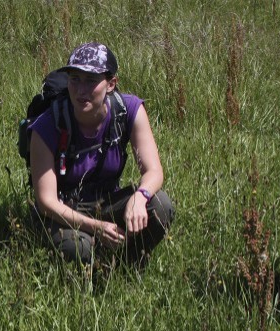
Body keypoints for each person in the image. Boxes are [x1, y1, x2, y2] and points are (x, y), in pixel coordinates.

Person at [28, 42, 174, 267]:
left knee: (160, 205)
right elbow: (46, 201)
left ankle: (129, 264)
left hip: (107, 202)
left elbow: (153, 171)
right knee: (77, 249)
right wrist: (97, 227)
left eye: (91, 80)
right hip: (64, 210)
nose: (81, 90)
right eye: (74, 79)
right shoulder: (47, 126)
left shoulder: (128, 111)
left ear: (111, 84)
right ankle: (90, 266)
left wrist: (139, 197)